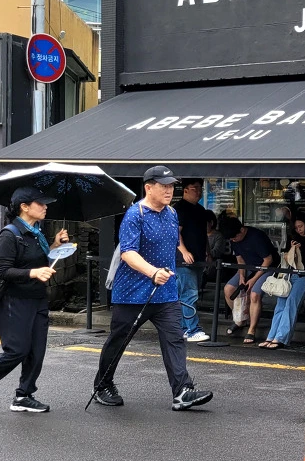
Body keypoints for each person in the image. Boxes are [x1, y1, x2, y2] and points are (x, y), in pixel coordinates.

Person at [92, 166, 213, 411]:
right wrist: (153, 272)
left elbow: (173, 244)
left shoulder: (172, 213)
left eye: (171, 186)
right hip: (132, 294)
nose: (169, 191)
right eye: (164, 186)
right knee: (119, 340)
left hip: (165, 293)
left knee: (175, 339)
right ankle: (103, 385)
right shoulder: (135, 215)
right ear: (148, 187)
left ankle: (182, 391)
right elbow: (128, 253)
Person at [0, 187, 69, 413]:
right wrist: (34, 273)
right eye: (40, 203)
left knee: (36, 351)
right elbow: (4, 271)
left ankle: (23, 395)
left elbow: (36, 259)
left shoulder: (36, 233)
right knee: (16, 350)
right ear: (24, 207)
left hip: (37, 299)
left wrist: (55, 246)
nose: (45, 207)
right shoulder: (9, 235)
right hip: (13, 300)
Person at [260, 218, 305, 349]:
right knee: (280, 304)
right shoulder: (294, 238)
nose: (299, 229)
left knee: (291, 303)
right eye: (297, 227)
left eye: (301, 226)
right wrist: (292, 249)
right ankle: (271, 336)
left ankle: (280, 338)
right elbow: (286, 259)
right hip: (290, 275)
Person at [219, 217, 278, 344]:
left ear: (241, 230)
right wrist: (241, 275)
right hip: (248, 267)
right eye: (231, 239)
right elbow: (240, 260)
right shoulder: (234, 239)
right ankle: (240, 320)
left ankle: (252, 329)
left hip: (267, 268)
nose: (233, 240)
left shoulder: (257, 237)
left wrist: (254, 279)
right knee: (228, 289)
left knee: (254, 294)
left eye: (234, 238)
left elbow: (268, 260)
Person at [172, 178, 210, 342]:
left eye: (200, 188)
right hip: (183, 260)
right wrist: (184, 251)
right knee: (189, 294)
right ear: (185, 190)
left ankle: (184, 328)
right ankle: (193, 329)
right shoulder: (179, 208)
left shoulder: (200, 210)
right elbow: (175, 232)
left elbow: (203, 234)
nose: (199, 191)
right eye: (195, 188)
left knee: (187, 294)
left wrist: (208, 252)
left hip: (198, 258)